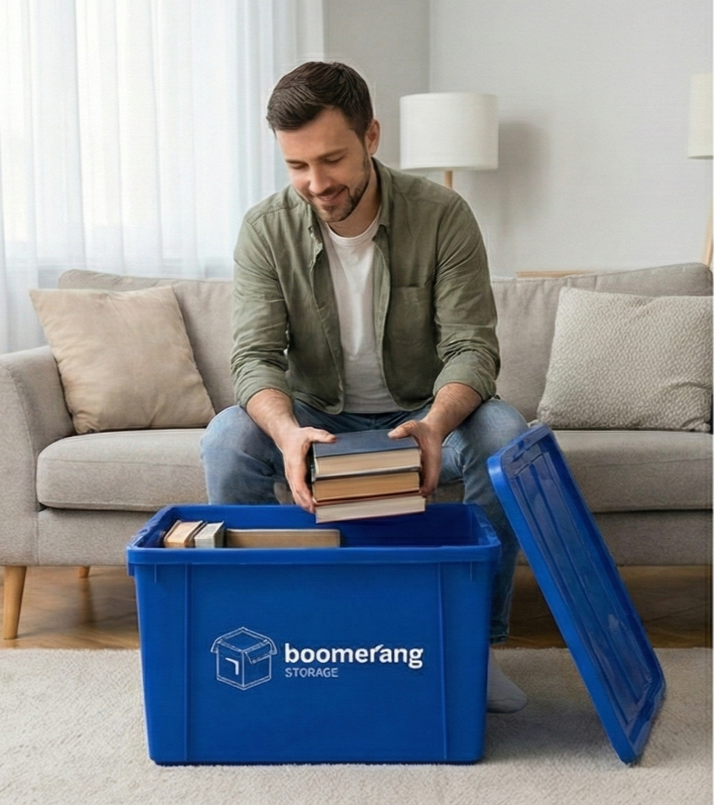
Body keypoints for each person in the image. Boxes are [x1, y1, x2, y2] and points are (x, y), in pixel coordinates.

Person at [200, 61, 529, 713]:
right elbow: (254, 357)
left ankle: (474, 645)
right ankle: (273, 634)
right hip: (317, 414)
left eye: (332, 159)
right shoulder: (266, 229)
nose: (316, 184)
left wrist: (434, 424)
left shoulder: (443, 215)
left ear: (372, 136)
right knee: (226, 440)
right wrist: (289, 433)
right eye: (297, 166)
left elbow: (472, 348)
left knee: (505, 438)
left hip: (423, 412)